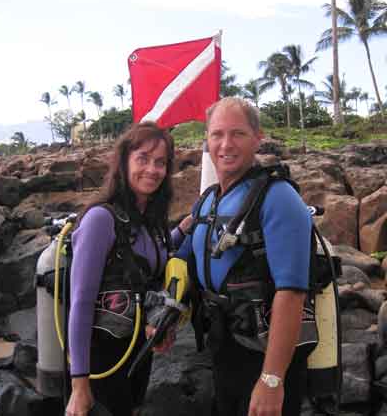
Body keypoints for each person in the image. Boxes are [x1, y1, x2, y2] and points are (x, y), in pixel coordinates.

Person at [176, 97, 313, 416]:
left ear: (257, 138)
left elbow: (292, 293)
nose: (226, 144)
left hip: (265, 352)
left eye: (237, 134)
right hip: (223, 345)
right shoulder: (207, 201)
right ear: (207, 141)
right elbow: (180, 258)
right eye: (217, 134)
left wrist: (272, 379)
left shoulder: (279, 198)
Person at [65, 122, 191, 416]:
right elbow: (80, 303)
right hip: (100, 361)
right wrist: (79, 386)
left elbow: (144, 260)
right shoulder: (100, 219)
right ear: (124, 162)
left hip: (137, 352)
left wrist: (183, 230)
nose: (152, 169)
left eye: (161, 162)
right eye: (143, 159)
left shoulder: (152, 221)